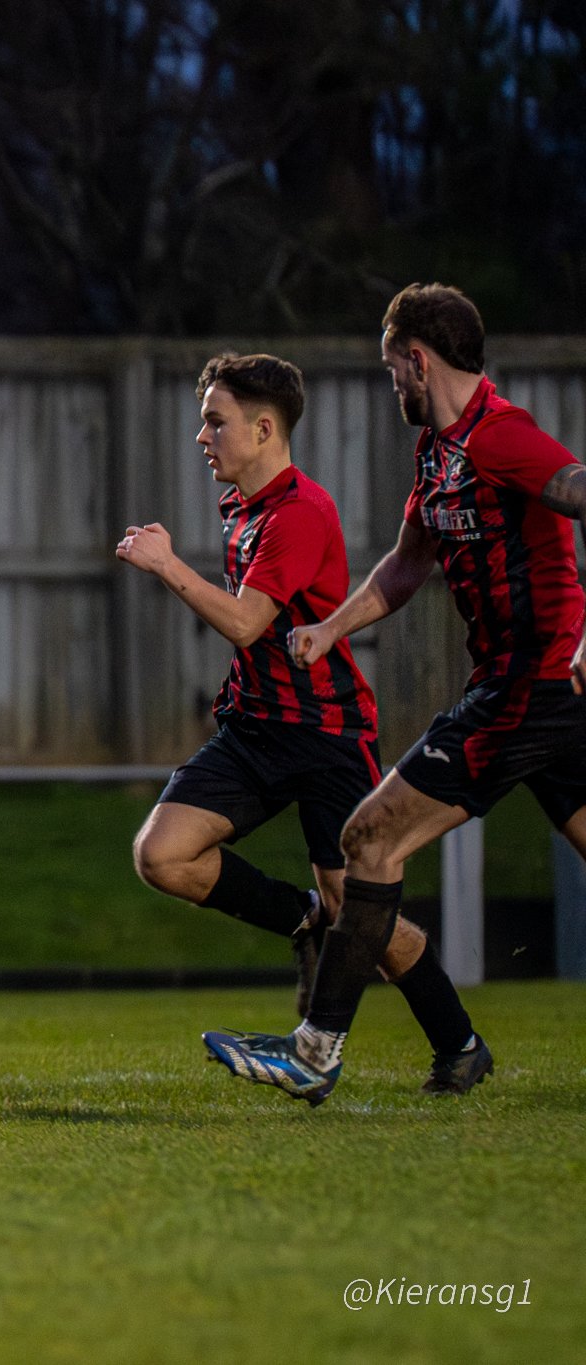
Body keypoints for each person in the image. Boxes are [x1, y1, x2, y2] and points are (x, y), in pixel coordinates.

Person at [204, 283, 586, 1104]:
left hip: (532, 687)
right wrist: (333, 628)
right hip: (536, 692)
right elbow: (408, 563)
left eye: (391, 372)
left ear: (417, 358)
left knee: (368, 838)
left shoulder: (501, 436)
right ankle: (449, 1048)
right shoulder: (439, 453)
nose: (392, 389)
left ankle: (314, 1048)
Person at [119, 354, 480, 1095]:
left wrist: (168, 566)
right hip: (254, 729)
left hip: (325, 737)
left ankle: (459, 1042)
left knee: (367, 917)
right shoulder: (245, 509)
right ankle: (309, 920)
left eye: (215, 421)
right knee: (162, 856)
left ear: (262, 428)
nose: (202, 436)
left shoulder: (300, 511)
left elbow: (250, 624)